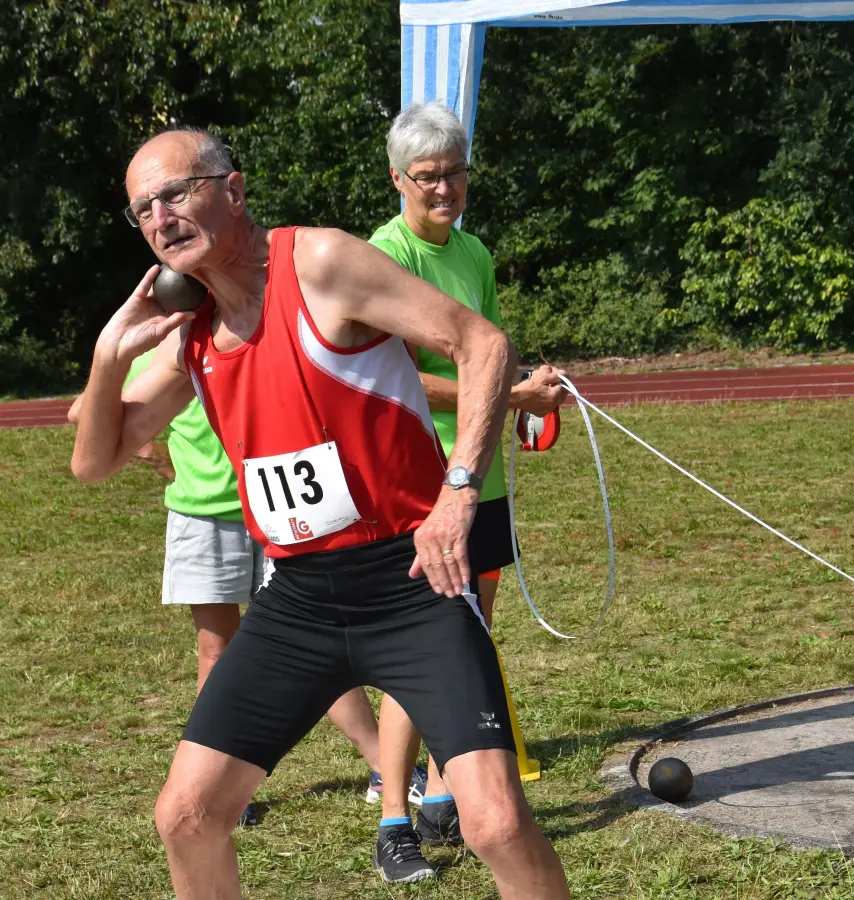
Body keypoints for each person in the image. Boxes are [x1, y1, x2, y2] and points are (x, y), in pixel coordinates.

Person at [71, 127, 570, 899]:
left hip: (413, 583)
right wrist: (109, 356)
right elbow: (95, 460)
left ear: (232, 191)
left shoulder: (321, 264)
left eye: (176, 193)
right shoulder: (189, 334)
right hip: (299, 599)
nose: (161, 217)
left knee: (497, 824)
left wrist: (459, 489)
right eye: (142, 209)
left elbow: (482, 345)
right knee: (187, 815)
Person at [365, 102, 568, 881]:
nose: (443, 188)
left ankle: (446, 796)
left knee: (472, 637)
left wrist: (514, 398)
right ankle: (393, 816)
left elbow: (483, 362)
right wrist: (512, 397)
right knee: (419, 645)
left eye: (454, 172)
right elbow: (404, 379)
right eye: (427, 177)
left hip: (477, 477)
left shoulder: (474, 253)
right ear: (397, 180)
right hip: (417, 482)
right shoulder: (386, 256)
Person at [65, 360, 385, 823]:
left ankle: (383, 768)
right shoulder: (166, 345)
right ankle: (221, 790)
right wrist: (155, 454)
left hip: (282, 508)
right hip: (205, 514)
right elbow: (84, 412)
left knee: (319, 639)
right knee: (216, 651)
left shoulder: (253, 329)